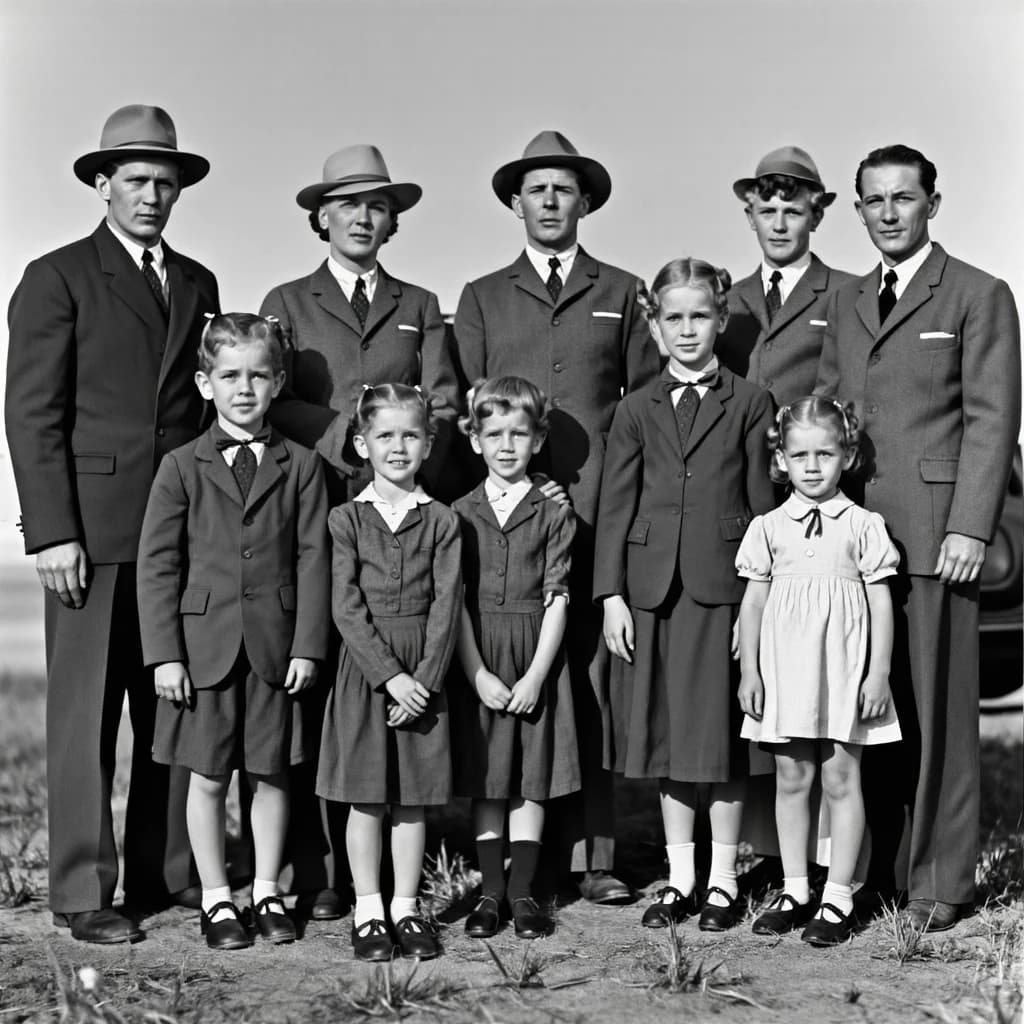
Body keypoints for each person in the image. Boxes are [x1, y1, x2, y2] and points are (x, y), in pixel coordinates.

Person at [5, 104, 219, 944]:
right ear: (103, 186)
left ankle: (166, 875)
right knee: (84, 718)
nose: (151, 196)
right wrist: (52, 530)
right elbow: (32, 413)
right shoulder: (55, 276)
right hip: (86, 537)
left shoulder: (197, 282)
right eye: (135, 180)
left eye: (164, 182)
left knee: (170, 704)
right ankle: (82, 891)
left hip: (177, 537)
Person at [816, 144, 1021, 931]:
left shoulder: (977, 293)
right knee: (874, 711)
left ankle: (942, 882)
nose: (890, 213)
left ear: (934, 202)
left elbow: (992, 419)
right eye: (875, 200)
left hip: (941, 541)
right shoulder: (849, 299)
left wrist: (971, 525)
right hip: (858, 540)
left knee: (938, 715)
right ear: (860, 209)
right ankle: (877, 872)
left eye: (905, 197)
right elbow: (831, 413)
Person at [454, 131, 658, 904]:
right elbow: (468, 401)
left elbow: (639, 405)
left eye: (562, 189)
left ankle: (594, 857)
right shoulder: (482, 295)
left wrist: (602, 492)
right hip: (510, 517)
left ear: (584, 202)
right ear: (515, 202)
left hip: (599, 510)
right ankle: (502, 862)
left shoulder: (622, 288)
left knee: (590, 679)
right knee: (513, 670)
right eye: (535, 188)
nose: (548, 200)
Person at [260, 145, 459, 921]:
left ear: (393, 220)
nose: (363, 218)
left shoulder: (420, 301)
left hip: (401, 516)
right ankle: (319, 871)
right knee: (316, 673)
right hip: (315, 504)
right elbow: (273, 399)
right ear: (322, 218)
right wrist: (348, 436)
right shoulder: (289, 299)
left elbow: (440, 401)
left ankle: (390, 875)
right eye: (348, 205)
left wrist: (400, 461)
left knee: (393, 666)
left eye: (377, 206)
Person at [136, 314, 330, 950]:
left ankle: (268, 889)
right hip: (203, 648)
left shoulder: (301, 466)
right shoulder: (180, 466)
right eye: (228, 375)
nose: (243, 388)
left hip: (276, 648)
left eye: (257, 376)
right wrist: (165, 655)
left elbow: (312, 558)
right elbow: (158, 565)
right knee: (209, 776)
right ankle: (217, 898)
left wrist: (307, 643)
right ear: (203, 382)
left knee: (272, 773)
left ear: (277, 383)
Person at [594, 258, 776, 931]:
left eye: (700, 316)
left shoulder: (751, 402)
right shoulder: (634, 407)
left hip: (724, 589)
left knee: (721, 738)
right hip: (651, 593)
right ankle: (680, 878)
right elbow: (616, 507)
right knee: (670, 739)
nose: (688, 329)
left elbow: (763, 509)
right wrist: (611, 594)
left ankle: (724, 880)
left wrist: (758, 602)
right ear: (655, 325)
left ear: (721, 320)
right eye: (674, 318)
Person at [736, 397, 901, 946]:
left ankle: (839, 896)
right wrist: (751, 673)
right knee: (792, 777)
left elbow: (880, 604)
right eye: (799, 454)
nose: (811, 466)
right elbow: (754, 605)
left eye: (825, 453)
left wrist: (878, 674)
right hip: (785, 671)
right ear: (781, 459)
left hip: (843, 673)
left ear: (847, 455)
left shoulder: (862, 524)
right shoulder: (767, 528)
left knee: (839, 776)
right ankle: (796, 887)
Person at [316, 384, 462, 962]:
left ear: (428, 443)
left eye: (409, 435)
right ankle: (369, 910)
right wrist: (390, 678)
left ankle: (406, 906)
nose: (397, 447)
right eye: (384, 436)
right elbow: (345, 606)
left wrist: (422, 681)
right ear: (361, 443)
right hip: (366, 673)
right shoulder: (345, 519)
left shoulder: (443, 521)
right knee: (367, 799)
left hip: (425, 675)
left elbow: (448, 608)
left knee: (412, 801)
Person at [452, 377, 580, 940]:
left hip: (534, 653)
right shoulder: (455, 513)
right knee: (489, 779)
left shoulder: (554, 513)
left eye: (520, 434)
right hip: (478, 652)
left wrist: (535, 676)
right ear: (474, 439)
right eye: (494, 433)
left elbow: (557, 599)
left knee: (529, 778)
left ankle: (524, 890)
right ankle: (490, 892)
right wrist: (475, 672)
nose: (507, 445)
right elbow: (452, 604)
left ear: (538, 438)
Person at [716, 146, 853, 406]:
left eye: (792, 212)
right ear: (751, 217)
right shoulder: (728, 300)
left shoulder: (849, 293)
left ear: (816, 218)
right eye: (768, 212)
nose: (779, 226)